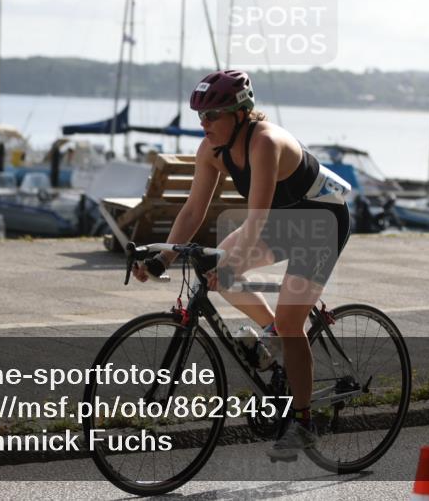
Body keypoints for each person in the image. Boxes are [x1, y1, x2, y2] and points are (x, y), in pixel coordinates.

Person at [133, 69, 352, 462]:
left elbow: (258, 219)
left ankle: (303, 422)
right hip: (283, 222)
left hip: (321, 224)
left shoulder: (264, 143)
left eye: (211, 115)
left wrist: (230, 265)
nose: (204, 124)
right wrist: (163, 256)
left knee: (289, 321)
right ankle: (273, 336)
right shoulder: (210, 149)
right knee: (216, 268)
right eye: (199, 116)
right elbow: (193, 210)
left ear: (240, 112)